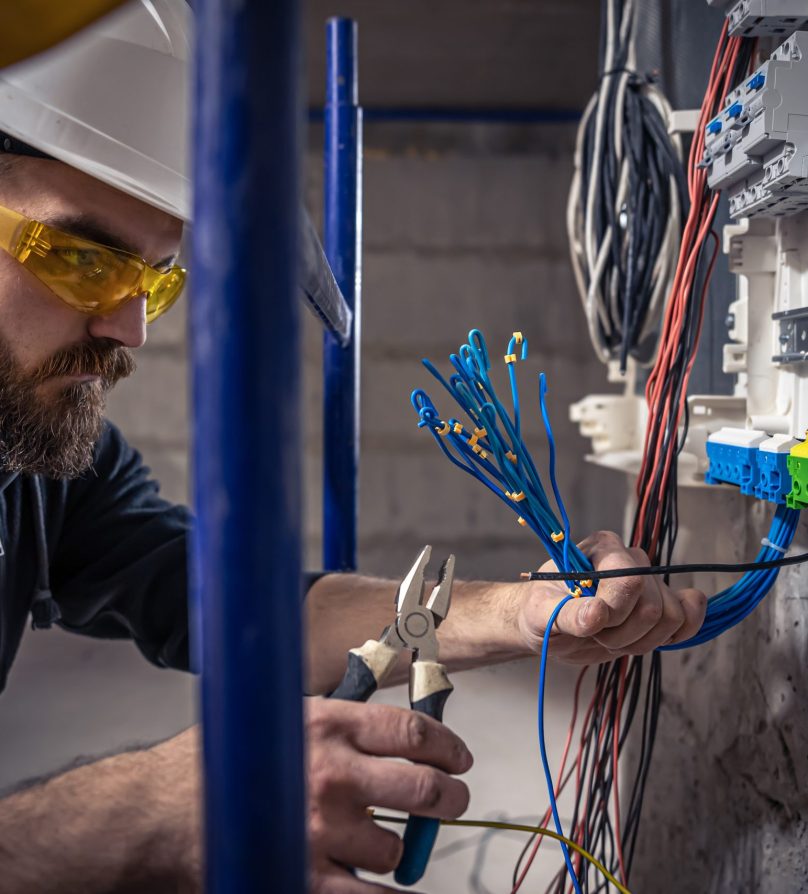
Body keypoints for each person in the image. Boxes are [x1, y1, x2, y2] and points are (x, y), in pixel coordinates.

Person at [0, 2, 707, 892]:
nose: (132, 328)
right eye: (85, 261)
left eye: (158, 280)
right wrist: (146, 807)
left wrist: (520, 614)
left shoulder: (35, 460)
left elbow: (223, 604)